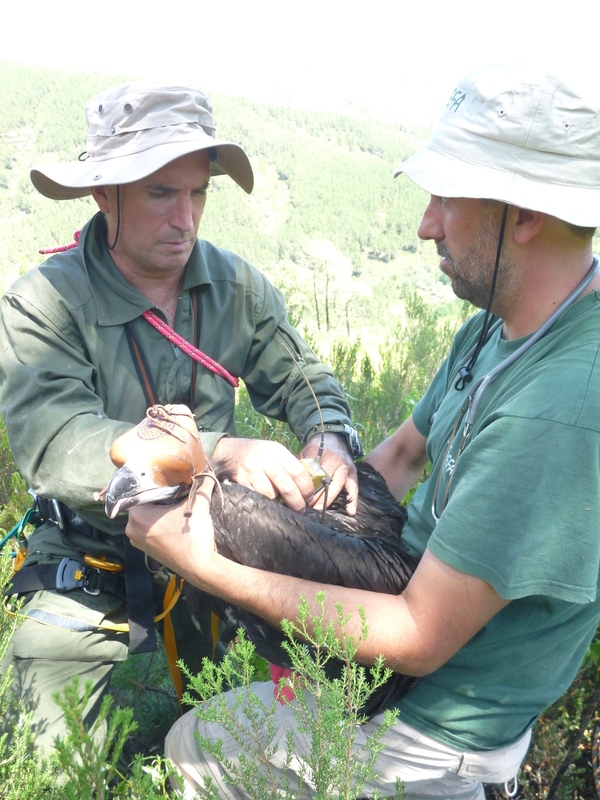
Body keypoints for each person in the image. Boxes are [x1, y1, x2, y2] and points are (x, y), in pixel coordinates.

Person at [126, 63, 600, 800]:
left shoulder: (561, 408)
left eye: (445, 196)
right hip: (413, 657)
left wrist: (211, 565)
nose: (425, 223)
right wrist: (303, 487)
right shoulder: (502, 330)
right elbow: (405, 454)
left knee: (197, 746)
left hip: (432, 729)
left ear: (523, 213)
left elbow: (415, 639)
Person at [0, 82, 361, 752]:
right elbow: (57, 444)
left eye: (198, 193)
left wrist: (328, 434)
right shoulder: (43, 304)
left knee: (245, 753)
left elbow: (306, 380)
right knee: (49, 767)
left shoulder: (234, 287)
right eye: (161, 193)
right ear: (102, 195)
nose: (185, 217)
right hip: (90, 570)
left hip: (211, 570)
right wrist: (217, 452)